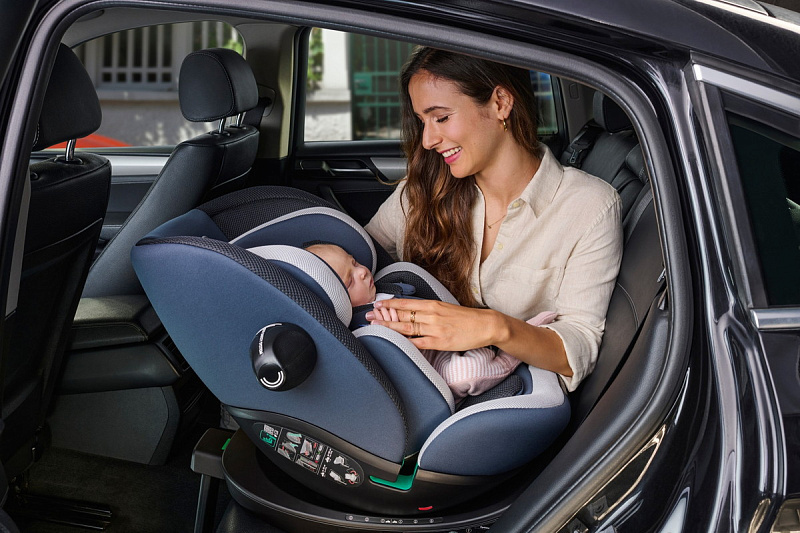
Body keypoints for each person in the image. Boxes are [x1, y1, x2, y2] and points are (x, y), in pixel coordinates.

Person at [364, 47, 623, 393]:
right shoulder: (422, 188)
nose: (427, 140)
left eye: (441, 118)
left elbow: (578, 345)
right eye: (422, 122)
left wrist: (494, 327)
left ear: (500, 103)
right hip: (402, 385)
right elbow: (361, 254)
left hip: (509, 399)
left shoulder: (589, 207)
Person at [305, 242, 556, 400]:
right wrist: (391, 341)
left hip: (451, 337)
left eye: (354, 261)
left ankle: (501, 339)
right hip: (434, 375)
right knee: (466, 374)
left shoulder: (386, 285)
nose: (361, 271)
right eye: (350, 281)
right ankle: (509, 356)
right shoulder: (360, 330)